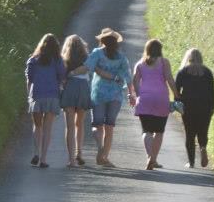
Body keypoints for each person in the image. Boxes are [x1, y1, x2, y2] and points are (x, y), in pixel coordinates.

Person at [82, 28, 135, 167]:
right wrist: (131, 94)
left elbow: (87, 67)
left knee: (97, 125)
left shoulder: (97, 53)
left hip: (98, 93)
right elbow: (128, 77)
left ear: (102, 41)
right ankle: (104, 156)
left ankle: (100, 148)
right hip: (115, 95)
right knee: (109, 127)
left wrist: (72, 72)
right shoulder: (122, 57)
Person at [133, 39, 179, 170]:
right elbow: (169, 78)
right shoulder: (164, 63)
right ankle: (153, 159)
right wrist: (176, 94)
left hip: (145, 99)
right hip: (161, 99)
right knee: (159, 131)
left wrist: (138, 94)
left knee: (146, 131)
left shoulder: (140, 64)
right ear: (160, 50)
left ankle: (150, 157)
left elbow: (135, 81)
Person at [25, 33, 66, 168]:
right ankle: (43, 158)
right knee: (48, 128)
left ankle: (36, 152)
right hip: (52, 96)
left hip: (36, 95)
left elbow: (29, 79)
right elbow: (62, 77)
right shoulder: (58, 60)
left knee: (37, 126)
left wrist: (29, 96)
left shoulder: (33, 60)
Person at [175, 48, 214, 168]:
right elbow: (212, 91)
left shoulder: (183, 72)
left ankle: (191, 162)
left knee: (190, 134)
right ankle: (203, 147)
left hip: (188, 106)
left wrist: (178, 103)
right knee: (203, 131)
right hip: (205, 106)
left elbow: (177, 91)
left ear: (188, 58)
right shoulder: (207, 72)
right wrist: (212, 106)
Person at [60, 34, 92, 167]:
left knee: (70, 126)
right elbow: (89, 70)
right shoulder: (87, 58)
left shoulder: (63, 60)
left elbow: (61, 78)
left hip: (70, 88)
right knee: (80, 123)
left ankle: (71, 159)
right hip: (83, 88)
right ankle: (79, 152)